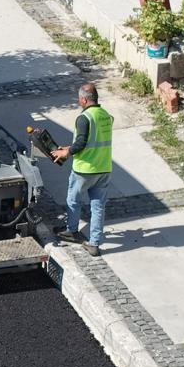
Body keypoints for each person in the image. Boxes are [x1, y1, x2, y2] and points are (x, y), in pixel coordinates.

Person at [51, 83, 113, 257]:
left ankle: (71, 230)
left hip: (85, 169)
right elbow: (94, 140)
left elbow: (81, 143)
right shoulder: (106, 116)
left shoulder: (84, 118)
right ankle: (94, 243)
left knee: (73, 200)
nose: (79, 101)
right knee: (98, 206)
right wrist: (70, 147)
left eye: (79, 99)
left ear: (84, 99)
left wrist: (66, 152)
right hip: (104, 168)